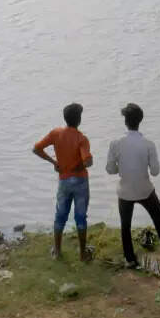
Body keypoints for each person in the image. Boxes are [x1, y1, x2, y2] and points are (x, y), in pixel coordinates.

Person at [105, 103, 160, 268]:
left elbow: (110, 170)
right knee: (158, 216)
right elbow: (155, 172)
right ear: (140, 121)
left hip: (125, 191)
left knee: (125, 225)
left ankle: (130, 259)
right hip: (144, 189)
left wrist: (124, 168)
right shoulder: (148, 144)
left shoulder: (115, 143)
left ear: (125, 121)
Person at [33, 103, 94, 262]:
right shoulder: (82, 138)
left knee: (60, 216)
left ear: (65, 118)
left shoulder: (56, 133)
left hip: (64, 181)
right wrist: (83, 163)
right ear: (79, 119)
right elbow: (87, 162)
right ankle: (82, 254)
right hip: (80, 181)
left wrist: (53, 162)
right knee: (81, 218)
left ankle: (57, 252)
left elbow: (36, 148)